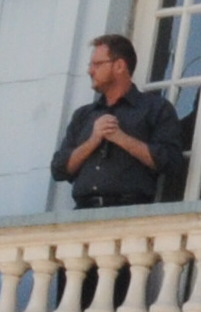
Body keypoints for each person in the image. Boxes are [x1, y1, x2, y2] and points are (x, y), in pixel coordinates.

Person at [52, 33, 189, 208]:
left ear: (119, 65)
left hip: (130, 213)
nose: (90, 71)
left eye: (97, 64)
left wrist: (120, 138)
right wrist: (93, 141)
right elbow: (58, 169)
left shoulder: (155, 108)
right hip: (83, 214)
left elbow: (171, 162)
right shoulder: (83, 115)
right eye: (90, 64)